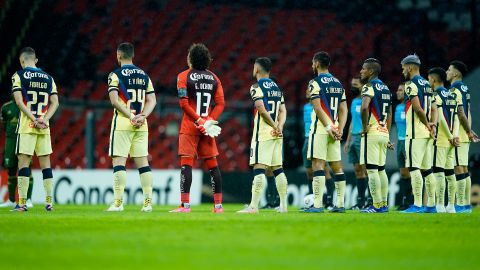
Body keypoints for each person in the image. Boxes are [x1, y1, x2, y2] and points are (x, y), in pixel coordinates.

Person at [171, 43, 225, 213]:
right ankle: (218, 206)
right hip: (207, 128)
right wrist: (209, 121)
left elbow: (184, 104)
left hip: (190, 126)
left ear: (190, 58)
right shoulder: (214, 78)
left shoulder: (183, 76)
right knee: (213, 165)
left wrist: (199, 121)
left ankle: (185, 205)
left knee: (186, 164)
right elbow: (221, 104)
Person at [106, 42, 157, 212]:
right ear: (133, 56)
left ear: (119, 56)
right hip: (142, 124)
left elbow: (114, 100)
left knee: (119, 161)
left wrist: (131, 116)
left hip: (123, 121)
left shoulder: (115, 74)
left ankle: (118, 203)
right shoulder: (144, 75)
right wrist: (143, 116)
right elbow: (152, 101)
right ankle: (148, 203)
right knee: (143, 162)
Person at [11, 47, 59, 211]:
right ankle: (49, 202)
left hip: (27, 126)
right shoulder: (48, 78)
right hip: (44, 127)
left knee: (23, 163)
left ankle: (22, 203)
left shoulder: (19, 75)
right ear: (36, 60)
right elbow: (55, 102)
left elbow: (18, 101)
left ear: (21, 61)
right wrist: (44, 119)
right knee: (46, 164)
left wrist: (33, 119)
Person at [238, 57, 288, 214]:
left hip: (263, 132)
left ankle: (253, 206)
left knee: (259, 167)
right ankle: (284, 206)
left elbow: (260, 107)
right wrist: (279, 126)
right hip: (277, 133)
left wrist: (273, 125)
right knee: (278, 169)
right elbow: (283, 111)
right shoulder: (277, 88)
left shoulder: (256, 87)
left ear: (257, 69)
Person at [304, 51, 347, 213]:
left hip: (321, 129)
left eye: (312, 63)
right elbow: (344, 109)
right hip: (335, 129)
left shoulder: (314, 83)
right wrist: (339, 128)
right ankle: (341, 204)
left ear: (316, 63)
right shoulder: (338, 83)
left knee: (318, 164)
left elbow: (317, 107)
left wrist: (328, 127)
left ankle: (317, 204)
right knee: (337, 166)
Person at [400, 54, 437, 214]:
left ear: (409, 67)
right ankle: (431, 205)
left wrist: (426, 123)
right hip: (428, 133)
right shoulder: (428, 85)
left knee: (414, 168)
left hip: (416, 133)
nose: (402, 71)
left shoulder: (411, 85)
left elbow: (417, 108)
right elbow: (434, 108)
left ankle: (417, 204)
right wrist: (432, 125)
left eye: (403, 68)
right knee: (427, 170)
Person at [358, 58, 392, 213]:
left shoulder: (369, 86)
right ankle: (384, 204)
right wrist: (387, 132)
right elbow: (389, 113)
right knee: (381, 169)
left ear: (371, 71)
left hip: (372, 132)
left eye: (363, 69)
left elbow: (364, 107)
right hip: (384, 132)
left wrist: (365, 127)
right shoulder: (386, 88)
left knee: (371, 170)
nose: (361, 71)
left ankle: (376, 205)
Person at [446, 60, 479, 213]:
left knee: (458, 168)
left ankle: (461, 204)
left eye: (449, 69)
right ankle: (466, 205)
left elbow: (458, 113)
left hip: (458, 133)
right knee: (464, 168)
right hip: (464, 132)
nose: (447, 72)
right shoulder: (465, 88)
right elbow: (468, 112)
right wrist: (469, 131)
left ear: (456, 73)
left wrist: (459, 132)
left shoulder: (454, 88)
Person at [427, 67, 459, 213]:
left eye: (428, 79)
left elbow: (440, 117)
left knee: (439, 172)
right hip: (452, 140)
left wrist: (449, 136)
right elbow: (456, 118)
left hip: (441, 139)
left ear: (433, 79)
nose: (428, 82)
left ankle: (440, 205)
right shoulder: (451, 95)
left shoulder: (436, 95)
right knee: (450, 173)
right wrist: (455, 135)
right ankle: (451, 206)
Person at [303, 86, 334, 210]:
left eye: (309, 90)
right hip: (307, 139)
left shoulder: (321, 107)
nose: (307, 91)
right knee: (309, 172)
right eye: (307, 89)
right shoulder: (306, 107)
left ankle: (329, 201)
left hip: (318, 137)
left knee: (324, 169)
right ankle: (312, 200)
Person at [0, 99, 34, 208]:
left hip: (25, 140)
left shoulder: (28, 105)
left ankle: (28, 199)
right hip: (10, 142)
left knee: (26, 169)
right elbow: (4, 125)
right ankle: (11, 200)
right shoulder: (6, 107)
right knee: (11, 169)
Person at [344, 76, 369, 210]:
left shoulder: (367, 101)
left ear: (362, 86)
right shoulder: (354, 101)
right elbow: (353, 121)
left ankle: (370, 200)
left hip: (362, 137)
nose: (353, 87)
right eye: (352, 84)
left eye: (355, 84)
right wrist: (347, 140)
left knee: (366, 169)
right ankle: (360, 201)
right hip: (353, 137)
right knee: (357, 170)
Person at [394, 83, 412, 210]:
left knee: (412, 172)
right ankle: (405, 201)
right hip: (400, 142)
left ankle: (412, 201)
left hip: (408, 141)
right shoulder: (397, 107)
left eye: (400, 90)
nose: (397, 92)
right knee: (403, 173)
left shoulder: (410, 107)